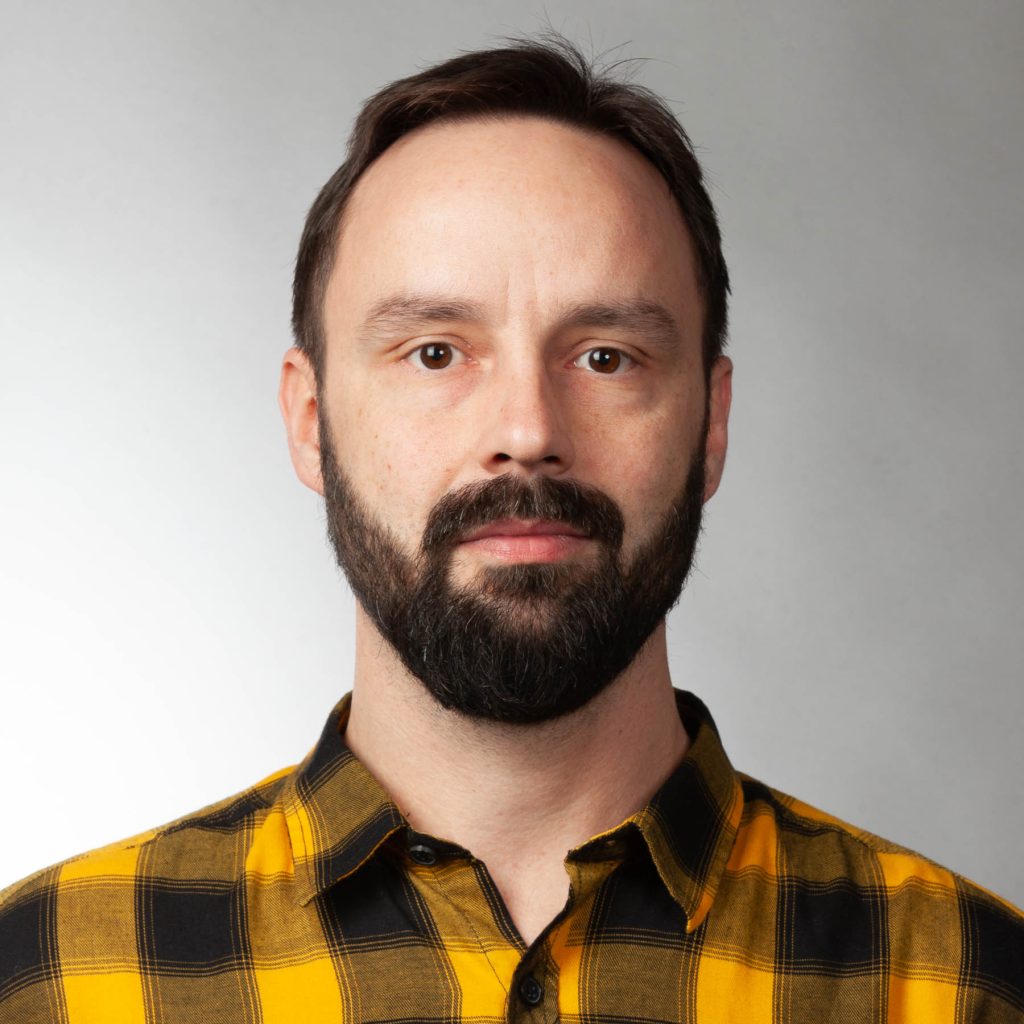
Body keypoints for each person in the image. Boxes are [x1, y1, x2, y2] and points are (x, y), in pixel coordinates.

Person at [1, 35, 1021, 1024]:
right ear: (311, 422)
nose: (527, 433)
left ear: (711, 426)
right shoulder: (48, 982)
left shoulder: (961, 983)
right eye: (436, 353)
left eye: (606, 357)